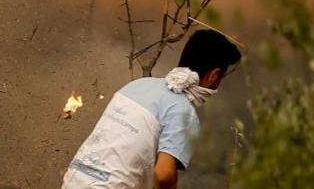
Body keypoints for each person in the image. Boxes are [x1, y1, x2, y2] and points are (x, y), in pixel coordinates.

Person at [62, 29, 242, 189]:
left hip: (73, 181)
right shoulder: (183, 112)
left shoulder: (136, 86)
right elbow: (164, 176)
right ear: (214, 76)